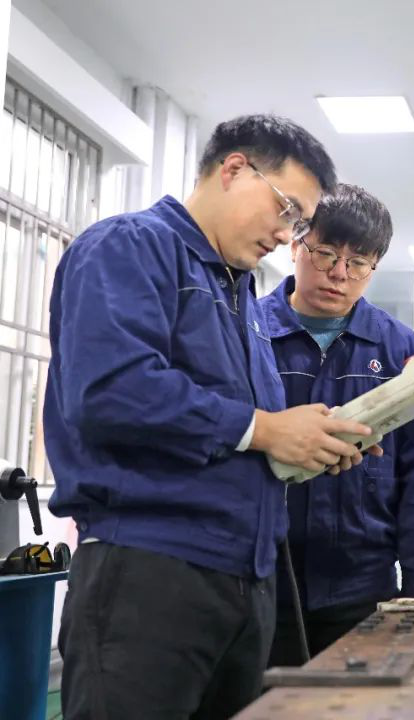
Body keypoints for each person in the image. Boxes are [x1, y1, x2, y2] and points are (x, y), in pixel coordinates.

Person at [45, 115, 375, 719]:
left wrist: (311, 442)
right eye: (286, 209)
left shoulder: (239, 294)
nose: (286, 233)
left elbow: (243, 432)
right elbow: (111, 391)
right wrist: (267, 429)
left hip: (246, 580)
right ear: (234, 169)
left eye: (299, 223)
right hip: (148, 572)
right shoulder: (130, 246)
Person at [260, 184, 414, 666]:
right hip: (258, 583)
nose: (339, 274)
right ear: (295, 244)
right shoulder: (248, 333)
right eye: (326, 254)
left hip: (361, 588)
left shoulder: (400, 351)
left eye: (359, 263)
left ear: (375, 267)